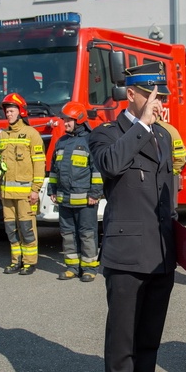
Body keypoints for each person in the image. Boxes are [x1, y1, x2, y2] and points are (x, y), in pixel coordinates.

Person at [89, 62, 179, 372]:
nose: (159, 102)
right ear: (133, 94)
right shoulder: (107, 134)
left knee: (149, 337)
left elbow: (166, 192)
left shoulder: (163, 135)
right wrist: (141, 123)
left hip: (160, 251)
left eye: (162, 96)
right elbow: (111, 165)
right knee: (123, 338)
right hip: (126, 252)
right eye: (152, 94)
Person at [47, 101, 103, 282]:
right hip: (64, 199)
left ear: (79, 119)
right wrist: (52, 190)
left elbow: (97, 170)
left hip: (86, 201)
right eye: (64, 120)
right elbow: (54, 169)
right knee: (68, 234)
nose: (66, 123)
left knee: (87, 234)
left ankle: (89, 268)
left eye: (69, 120)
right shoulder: (61, 142)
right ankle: (72, 266)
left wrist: (95, 193)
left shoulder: (91, 141)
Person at [0, 93, 46, 276]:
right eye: (7, 111)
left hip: (26, 194)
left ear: (21, 112)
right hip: (7, 194)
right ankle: (15, 261)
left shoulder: (32, 135)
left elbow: (39, 163)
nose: (8, 114)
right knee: (11, 230)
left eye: (11, 111)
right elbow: (1, 166)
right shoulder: (3, 135)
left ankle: (29, 262)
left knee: (27, 229)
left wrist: (35, 190)